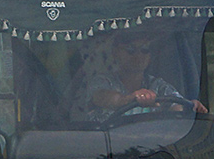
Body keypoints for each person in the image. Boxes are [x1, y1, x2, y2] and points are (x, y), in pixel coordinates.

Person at [76, 32, 206, 123]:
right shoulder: (103, 81)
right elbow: (102, 97)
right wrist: (128, 99)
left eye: (144, 50)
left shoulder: (158, 85)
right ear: (115, 52)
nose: (138, 56)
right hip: (106, 151)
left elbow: (176, 106)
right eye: (130, 50)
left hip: (150, 153)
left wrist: (189, 107)